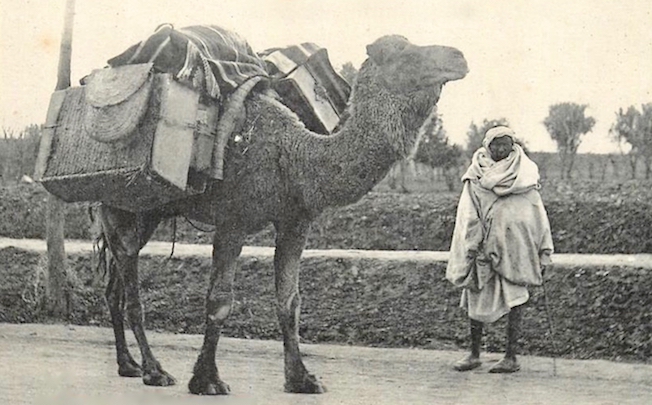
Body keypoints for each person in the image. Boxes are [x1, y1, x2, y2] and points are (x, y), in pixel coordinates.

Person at [446, 126, 553, 373]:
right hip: (482, 250)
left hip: (515, 250)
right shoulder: (475, 176)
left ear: (513, 146)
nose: (501, 149)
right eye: (496, 144)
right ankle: (474, 354)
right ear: (487, 146)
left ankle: (511, 357)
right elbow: (467, 214)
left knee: (515, 300)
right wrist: (472, 242)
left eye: (505, 144)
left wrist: (543, 250)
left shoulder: (524, 176)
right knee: (475, 298)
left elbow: (536, 214)